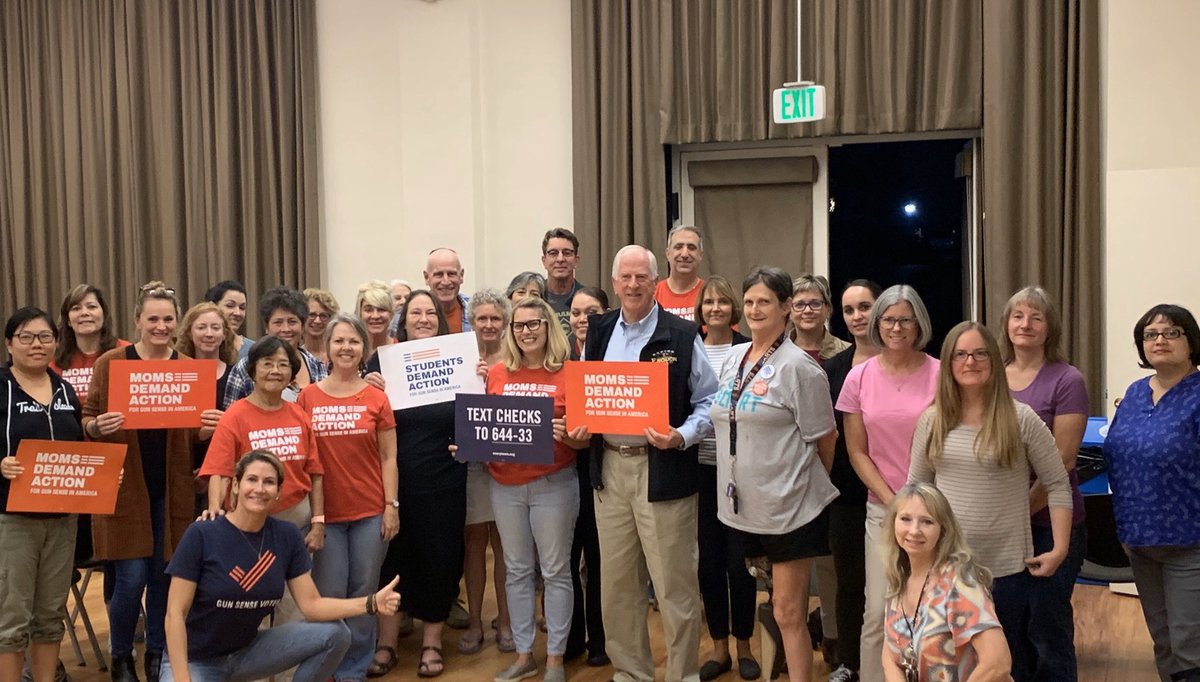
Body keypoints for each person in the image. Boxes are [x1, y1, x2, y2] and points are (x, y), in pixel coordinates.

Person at [908, 321, 1073, 680]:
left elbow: (1058, 484)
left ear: (995, 361)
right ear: (948, 363)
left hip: (1006, 570)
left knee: (1006, 665)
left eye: (981, 353)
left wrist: (1059, 548)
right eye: (961, 354)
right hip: (947, 568)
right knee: (952, 664)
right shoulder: (932, 420)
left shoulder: (1021, 418)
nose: (971, 361)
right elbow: (917, 492)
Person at [583, 244, 718, 682]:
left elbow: (710, 401)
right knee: (617, 587)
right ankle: (630, 674)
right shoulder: (599, 329)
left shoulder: (682, 334)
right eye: (626, 277)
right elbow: (590, 392)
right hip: (609, 472)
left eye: (642, 277)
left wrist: (681, 436)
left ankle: (683, 676)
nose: (634, 284)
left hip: (664, 472)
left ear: (654, 281)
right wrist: (583, 424)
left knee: (674, 587)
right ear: (615, 281)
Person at [162, 450, 404, 682]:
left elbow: (312, 605)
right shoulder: (202, 533)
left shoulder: (285, 536)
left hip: (247, 651)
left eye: (268, 482)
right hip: (194, 659)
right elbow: (175, 614)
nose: (259, 489)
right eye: (252, 480)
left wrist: (371, 603)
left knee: (336, 634)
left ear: (278, 492)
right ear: (235, 486)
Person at [711, 267, 838, 682]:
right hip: (740, 506)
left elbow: (825, 439)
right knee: (764, 606)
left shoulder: (800, 368)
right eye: (749, 302)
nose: (754, 309)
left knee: (788, 612)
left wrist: (799, 484)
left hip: (789, 508)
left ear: (786, 307)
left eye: (764, 301)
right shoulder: (733, 357)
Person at [84, 282, 199, 682]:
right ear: (137, 321)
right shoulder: (111, 363)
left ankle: (156, 654)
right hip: (123, 489)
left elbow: (193, 433)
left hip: (171, 490)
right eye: (153, 318)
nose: (161, 326)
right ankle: (120, 657)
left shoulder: (187, 367)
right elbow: (87, 418)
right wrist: (97, 426)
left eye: (168, 319)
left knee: (163, 579)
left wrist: (209, 427)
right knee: (130, 580)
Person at [481, 297, 590, 682]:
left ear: (548, 327)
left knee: (558, 571)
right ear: (511, 332)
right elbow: (487, 428)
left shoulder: (569, 373)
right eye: (519, 326)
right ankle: (525, 655)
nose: (526, 331)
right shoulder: (497, 374)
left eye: (534, 324)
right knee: (516, 571)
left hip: (554, 484)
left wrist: (573, 436)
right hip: (505, 486)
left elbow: (584, 440)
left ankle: (556, 659)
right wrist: (470, 442)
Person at [835, 284, 939, 682]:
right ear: (878, 324)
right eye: (889, 319)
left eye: (905, 320)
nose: (896, 327)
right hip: (882, 508)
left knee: (929, 608)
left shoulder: (940, 373)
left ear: (918, 325)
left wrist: (918, 504)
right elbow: (857, 452)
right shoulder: (858, 377)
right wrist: (893, 500)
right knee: (878, 608)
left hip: (934, 512)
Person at [371, 290, 470, 677]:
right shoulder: (382, 363)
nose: (424, 318)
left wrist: (472, 436)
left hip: (445, 479)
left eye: (431, 312)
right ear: (404, 320)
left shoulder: (461, 359)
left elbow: (476, 416)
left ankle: (431, 643)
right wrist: (370, 385)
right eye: (416, 313)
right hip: (393, 482)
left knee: (439, 560)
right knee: (392, 561)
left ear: (440, 320)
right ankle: (387, 643)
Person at [296, 314, 398, 682]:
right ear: (327, 348)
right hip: (326, 516)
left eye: (353, 342)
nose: (346, 348)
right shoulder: (307, 397)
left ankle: (354, 670)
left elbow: (389, 457)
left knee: (364, 592)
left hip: (371, 511)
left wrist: (391, 507)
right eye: (338, 341)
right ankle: (328, 666)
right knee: (331, 593)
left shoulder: (377, 398)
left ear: (363, 349)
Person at [1104, 304, 1200, 682]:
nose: (1159, 340)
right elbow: (1119, 456)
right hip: (1140, 540)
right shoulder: (1134, 392)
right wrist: (1126, 529)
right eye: (1150, 334)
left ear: (1191, 342)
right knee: (1163, 643)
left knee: (1190, 647)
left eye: (1171, 332)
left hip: (1190, 540)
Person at [1001, 286, 1089, 680]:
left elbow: (1063, 461)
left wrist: (1016, 512)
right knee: (1009, 628)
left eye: (1036, 317)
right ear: (1006, 325)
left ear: (1049, 327)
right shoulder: (992, 377)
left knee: (1047, 626)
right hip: (1002, 528)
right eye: (1018, 315)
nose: (1026, 324)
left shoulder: (1067, 379)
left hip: (1050, 524)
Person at [0, 307, 84, 682]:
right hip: (12, 520)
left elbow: (80, 449)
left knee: (50, 615)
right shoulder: (1, 386)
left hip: (63, 520)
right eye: (26, 337)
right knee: (11, 618)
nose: (37, 344)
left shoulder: (65, 388)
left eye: (45, 337)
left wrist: (100, 477)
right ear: (9, 344)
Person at [691, 276, 757, 681]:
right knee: (709, 565)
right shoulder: (689, 346)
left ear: (734, 308)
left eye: (722, 301)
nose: (715, 308)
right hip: (699, 470)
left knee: (740, 564)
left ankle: (745, 645)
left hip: (741, 471)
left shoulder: (749, 350)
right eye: (708, 302)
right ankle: (719, 648)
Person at [880, 483, 1011, 682]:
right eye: (905, 519)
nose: (914, 530)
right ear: (893, 523)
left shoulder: (960, 583)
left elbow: (997, 663)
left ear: (943, 529)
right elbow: (889, 654)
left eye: (927, 522)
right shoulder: (898, 576)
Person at [822, 278, 883, 682]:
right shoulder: (832, 369)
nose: (858, 316)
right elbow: (825, 432)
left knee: (891, 585)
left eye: (865, 307)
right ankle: (850, 661)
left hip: (896, 491)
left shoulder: (903, 361)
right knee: (850, 581)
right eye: (849, 310)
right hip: (845, 491)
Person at [459, 290, 514, 656]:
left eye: (495, 318)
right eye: (482, 318)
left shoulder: (516, 356)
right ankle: (476, 621)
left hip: (512, 462)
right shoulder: (459, 356)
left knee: (508, 547)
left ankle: (507, 622)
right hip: (474, 464)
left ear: (505, 321)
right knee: (475, 544)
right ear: (472, 321)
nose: (489, 325)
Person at [564, 285, 609, 667]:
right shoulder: (556, 358)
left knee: (598, 559)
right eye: (576, 313)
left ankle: (601, 639)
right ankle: (573, 636)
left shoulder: (615, 354)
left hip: (603, 471)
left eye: (591, 311)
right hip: (563, 472)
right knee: (565, 558)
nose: (582, 320)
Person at [175, 303, 238, 517]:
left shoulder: (237, 375)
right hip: (184, 474)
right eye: (201, 327)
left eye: (215, 328)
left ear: (224, 335)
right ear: (189, 333)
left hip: (228, 476)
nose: (209, 334)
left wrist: (227, 423)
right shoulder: (177, 373)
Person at [221, 287, 328, 409]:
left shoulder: (317, 366)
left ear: (302, 327)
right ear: (266, 327)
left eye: (292, 322)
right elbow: (231, 416)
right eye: (278, 322)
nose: (286, 329)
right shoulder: (244, 368)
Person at [50, 284, 130, 402]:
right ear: (68, 320)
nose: (84, 313)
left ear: (103, 314)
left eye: (91, 307)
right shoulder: (53, 357)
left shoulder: (125, 351)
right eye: (76, 308)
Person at [790, 274, 851, 364]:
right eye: (799, 305)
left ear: (828, 309)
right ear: (789, 311)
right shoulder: (776, 352)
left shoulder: (847, 352)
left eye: (815, 304)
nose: (808, 310)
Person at [653, 225, 705, 322]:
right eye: (678, 247)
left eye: (691, 247)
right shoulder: (652, 295)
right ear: (668, 253)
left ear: (701, 255)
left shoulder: (711, 294)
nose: (685, 254)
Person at [541, 228, 586, 334]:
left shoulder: (588, 299)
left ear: (576, 260)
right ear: (544, 261)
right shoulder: (535, 297)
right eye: (553, 253)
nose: (560, 259)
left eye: (567, 253)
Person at [424, 248, 471, 334]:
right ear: (426, 277)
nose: (446, 282)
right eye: (439, 274)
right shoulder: (408, 316)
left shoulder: (476, 311)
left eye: (451, 274)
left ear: (461, 275)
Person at [204, 280, 253, 360]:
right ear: (212, 306)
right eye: (230, 306)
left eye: (242, 308)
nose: (237, 313)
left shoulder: (253, 350)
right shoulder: (197, 348)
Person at [567, 287, 608, 361]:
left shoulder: (618, 350)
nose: (582, 319)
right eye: (576, 313)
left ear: (607, 314)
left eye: (591, 313)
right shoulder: (560, 353)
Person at [303, 288, 340, 365]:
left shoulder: (338, 354)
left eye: (323, 316)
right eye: (312, 315)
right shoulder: (296, 356)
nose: (317, 321)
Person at [355, 281, 395, 351]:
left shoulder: (403, 349)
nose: (375, 316)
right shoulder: (352, 351)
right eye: (368, 310)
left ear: (391, 313)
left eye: (381, 309)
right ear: (359, 313)